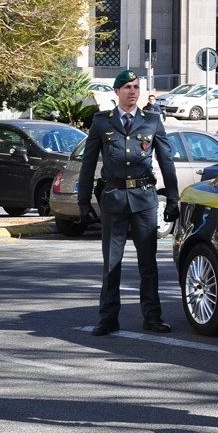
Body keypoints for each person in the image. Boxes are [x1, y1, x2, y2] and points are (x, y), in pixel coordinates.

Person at [78, 70, 180, 336]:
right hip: (113, 200)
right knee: (112, 263)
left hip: (144, 199)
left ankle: (153, 317)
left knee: (148, 263)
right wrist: (83, 200)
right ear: (116, 92)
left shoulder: (152, 121)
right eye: (127, 87)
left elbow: (167, 161)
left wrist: (173, 198)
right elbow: (88, 162)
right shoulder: (102, 122)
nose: (132, 91)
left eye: (135, 87)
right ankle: (108, 318)